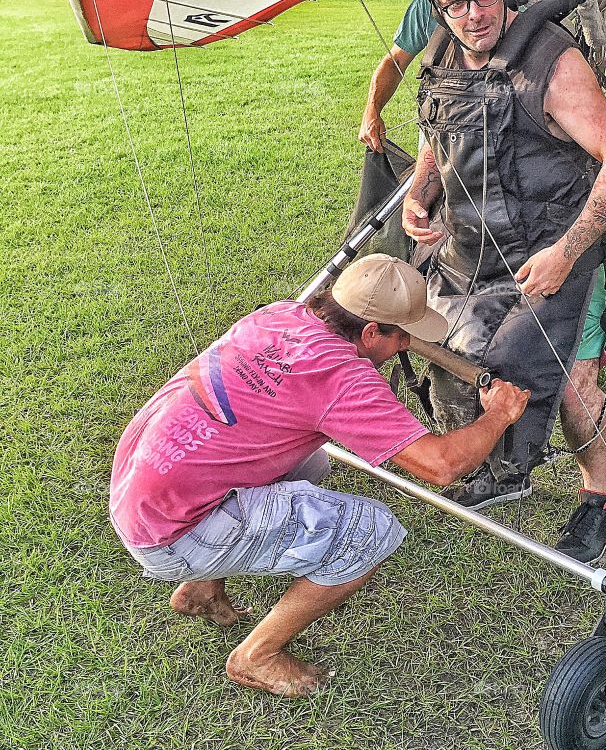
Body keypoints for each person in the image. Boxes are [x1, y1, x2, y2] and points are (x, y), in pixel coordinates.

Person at [109, 255, 529, 698]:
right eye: (402, 336)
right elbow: (442, 466)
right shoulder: (342, 378)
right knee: (372, 532)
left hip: (135, 491)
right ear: (370, 333)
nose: (405, 346)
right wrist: (499, 415)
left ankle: (201, 589)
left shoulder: (279, 315)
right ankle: (257, 656)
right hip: (170, 536)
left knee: (310, 463)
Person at [402, 0, 606, 564]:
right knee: (458, 356)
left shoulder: (551, 62)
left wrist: (568, 251)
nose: (472, 15)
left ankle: (600, 497)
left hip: (558, 244)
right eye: (454, 3)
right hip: (473, 239)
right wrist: (418, 194)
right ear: (437, 5)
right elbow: (437, 135)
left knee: (571, 383)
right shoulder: (442, 56)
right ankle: (505, 467)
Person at [358, 0, 511, 153]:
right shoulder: (429, 6)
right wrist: (372, 110)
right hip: (444, 112)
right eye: (456, 1)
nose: (475, 14)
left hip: (501, 119)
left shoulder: (511, 8)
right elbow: (396, 60)